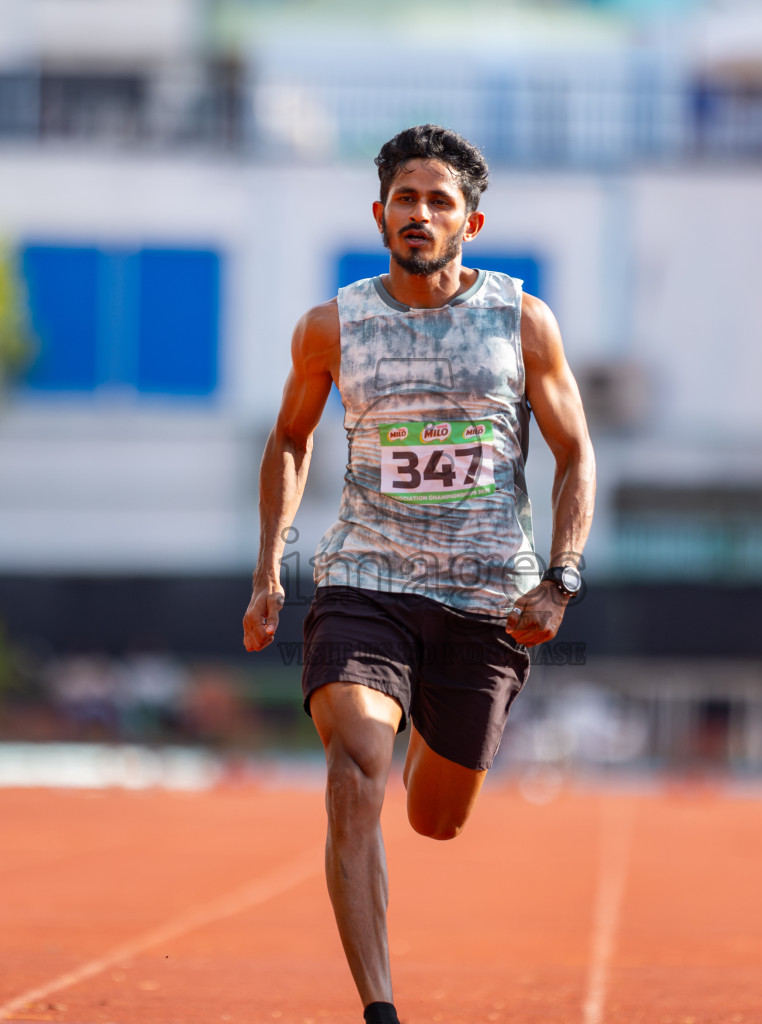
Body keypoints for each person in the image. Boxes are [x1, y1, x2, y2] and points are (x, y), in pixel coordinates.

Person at [242, 124, 596, 1024]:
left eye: (440, 200)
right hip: (365, 579)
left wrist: (560, 576)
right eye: (406, 197)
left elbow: (574, 450)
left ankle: (428, 727)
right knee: (356, 760)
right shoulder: (333, 325)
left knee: (437, 818)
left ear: (472, 220)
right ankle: (380, 1007)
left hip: (487, 599)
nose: (421, 213)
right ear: (379, 212)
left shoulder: (522, 319)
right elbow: (289, 437)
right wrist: (270, 571)